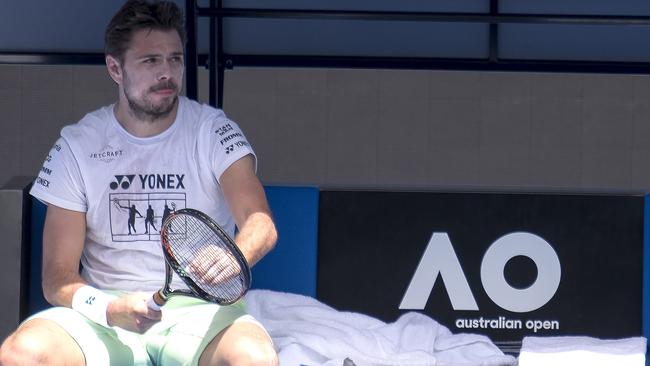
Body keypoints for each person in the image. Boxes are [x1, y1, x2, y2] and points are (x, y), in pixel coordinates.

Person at [0, 1, 278, 365]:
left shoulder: (213, 130)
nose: (167, 72)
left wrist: (234, 254)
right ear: (115, 68)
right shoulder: (77, 144)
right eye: (150, 61)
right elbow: (56, 278)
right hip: (105, 316)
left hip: (199, 311)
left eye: (175, 59)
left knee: (252, 358)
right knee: (20, 354)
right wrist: (108, 307)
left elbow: (261, 222)